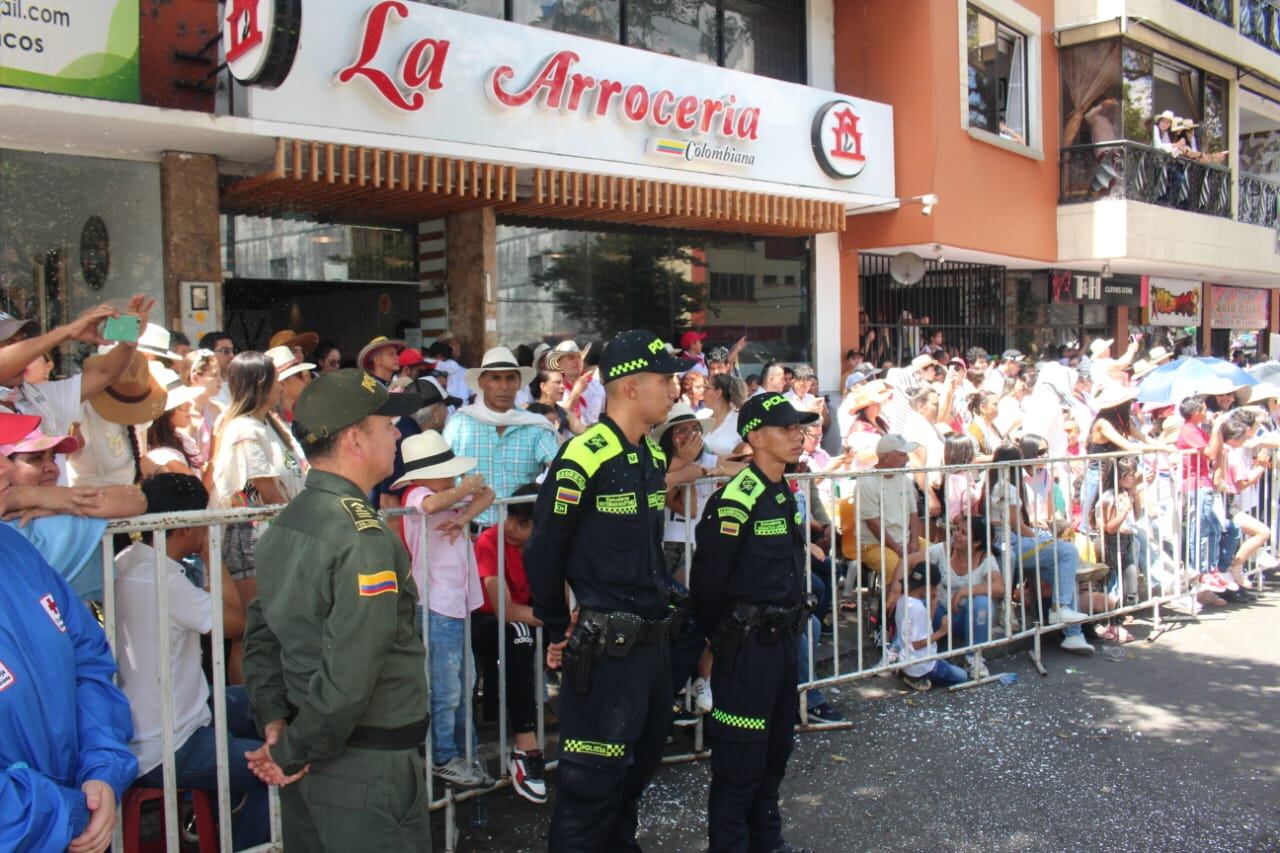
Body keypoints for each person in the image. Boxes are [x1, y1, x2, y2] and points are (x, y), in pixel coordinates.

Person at [241, 369, 428, 850]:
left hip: (314, 750)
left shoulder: (288, 523)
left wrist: (275, 723)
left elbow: (262, 634)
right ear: (354, 440)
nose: (397, 434)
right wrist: (292, 746)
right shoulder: (362, 536)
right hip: (365, 765)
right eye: (387, 424)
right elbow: (353, 666)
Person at [525, 329, 692, 850]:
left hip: (652, 648)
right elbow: (543, 551)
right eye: (666, 380)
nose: (676, 391)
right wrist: (556, 626)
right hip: (605, 652)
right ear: (629, 387)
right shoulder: (583, 456)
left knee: (635, 775)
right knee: (589, 789)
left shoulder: (651, 457)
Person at [0, 412, 138, 852]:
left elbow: (87, 663)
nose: (6, 470)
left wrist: (100, 772)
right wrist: (70, 812)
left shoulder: (16, 548)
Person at [690, 391, 819, 853]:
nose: (797, 435)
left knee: (776, 750)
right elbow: (707, 582)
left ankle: (767, 841)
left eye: (799, 427)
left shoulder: (784, 491)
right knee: (739, 759)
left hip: (782, 641)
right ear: (755, 437)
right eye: (787, 428)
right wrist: (717, 639)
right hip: (745, 647)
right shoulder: (735, 500)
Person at [114, 474, 269, 850]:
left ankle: (219, 810)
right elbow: (238, 623)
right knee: (279, 768)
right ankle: (250, 839)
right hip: (168, 744)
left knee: (261, 703)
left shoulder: (127, 560)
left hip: (157, 722)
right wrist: (212, 554)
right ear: (183, 526)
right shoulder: (163, 582)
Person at [394, 430, 495, 789]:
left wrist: (464, 514)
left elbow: (489, 494)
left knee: (462, 683)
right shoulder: (419, 494)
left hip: (454, 603)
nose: (453, 477)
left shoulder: (442, 494)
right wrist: (464, 490)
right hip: (436, 604)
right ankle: (444, 756)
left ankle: (463, 751)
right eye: (447, 471)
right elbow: (435, 505)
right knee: (446, 687)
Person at [210, 351, 308, 626]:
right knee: (256, 632)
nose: (281, 386)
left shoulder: (271, 424)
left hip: (278, 530)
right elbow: (267, 491)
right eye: (277, 379)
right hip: (252, 535)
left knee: (278, 627)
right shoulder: (243, 429)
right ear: (262, 382)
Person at [0, 418, 147, 601]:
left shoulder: (54, 515)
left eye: (52, 457)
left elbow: (136, 498)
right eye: (36, 459)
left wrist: (50, 501)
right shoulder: (50, 525)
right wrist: (34, 497)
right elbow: (135, 500)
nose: (52, 468)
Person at [471, 482, 548, 805]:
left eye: (524, 522)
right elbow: (504, 609)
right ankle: (525, 745)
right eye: (511, 518)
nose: (512, 528)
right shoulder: (490, 540)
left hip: (526, 622)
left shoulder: (545, 546)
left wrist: (562, 619)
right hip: (483, 623)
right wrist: (553, 617)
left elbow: (562, 597)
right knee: (520, 633)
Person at [444, 346, 558, 528]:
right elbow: (442, 476)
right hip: (469, 534)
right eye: (496, 378)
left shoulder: (535, 426)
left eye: (510, 378)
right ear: (482, 382)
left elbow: (561, 471)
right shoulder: (460, 423)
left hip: (520, 535)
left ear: (519, 383)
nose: (504, 386)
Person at [896, 562, 968, 691]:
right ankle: (918, 678)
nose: (936, 592)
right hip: (923, 665)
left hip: (908, 659)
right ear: (927, 588)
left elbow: (922, 627)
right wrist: (942, 631)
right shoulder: (918, 609)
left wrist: (933, 606)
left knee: (948, 664)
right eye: (935, 588)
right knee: (962, 676)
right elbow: (916, 644)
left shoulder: (903, 600)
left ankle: (908, 674)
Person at [145, 365, 205, 477]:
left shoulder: (180, 438)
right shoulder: (165, 457)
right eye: (181, 405)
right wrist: (217, 442)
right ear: (165, 414)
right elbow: (201, 492)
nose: (189, 405)